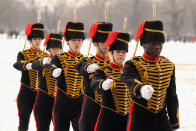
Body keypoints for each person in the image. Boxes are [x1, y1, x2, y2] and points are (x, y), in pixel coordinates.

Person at [120, 20, 179, 131]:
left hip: (161, 118)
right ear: (144, 44)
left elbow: (171, 96)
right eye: (153, 43)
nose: (157, 46)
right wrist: (140, 88)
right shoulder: (133, 64)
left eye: (160, 43)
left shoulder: (169, 65)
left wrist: (174, 122)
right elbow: (127, 78)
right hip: (140, 118)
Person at [75, 22, 112, 131]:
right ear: (95, 43)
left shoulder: (115, 63)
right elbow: (79, 66)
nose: (106, 45)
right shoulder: (88, 61)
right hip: (91, 110)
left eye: (108, 41)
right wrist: (88, 67)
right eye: (102, 42)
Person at [91, 32, 132, 131]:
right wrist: (103, 84)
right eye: (118, 52)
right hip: (108, 122)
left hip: (127, 121)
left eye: (124, 52)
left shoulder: (130, 71)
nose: (121, 55)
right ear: (110, 53)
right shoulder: (103, 71)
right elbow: (94, 83)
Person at [48, 21, 85, 131]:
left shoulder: (86, 60)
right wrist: (53, 71)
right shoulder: (59, 58)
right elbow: (51, 66)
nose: (76, 43)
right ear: (68, 41)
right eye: (73, 40)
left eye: (79, 40)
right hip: (62, 105)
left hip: (80, 105)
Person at [13, 23, 47, 131]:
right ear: (30, 40)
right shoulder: (23, 54)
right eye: (35, 39)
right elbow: (17, 64)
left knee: (42, 124)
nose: (37, 41)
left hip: (41, 94)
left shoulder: (46, 55)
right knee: (23, 123)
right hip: (26, 93)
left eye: (39, 39)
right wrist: (27, 65)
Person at [32, 33, 62, 131]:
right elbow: (34, 64)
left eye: (58, 48)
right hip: (42, 103)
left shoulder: (64, 62)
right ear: (48, 48)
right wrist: (42, 62)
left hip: (58, 104)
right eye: (53, 48)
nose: (56, 50)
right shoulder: (42, 58)